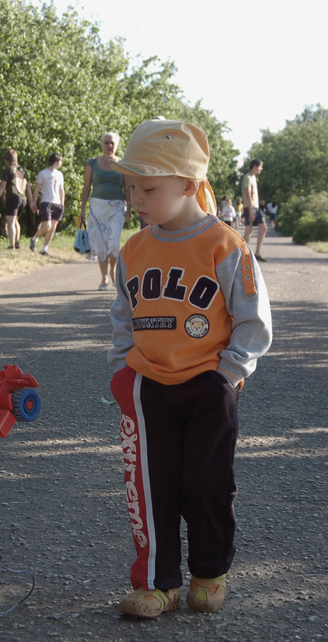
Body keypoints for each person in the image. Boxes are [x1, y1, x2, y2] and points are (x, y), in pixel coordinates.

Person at [107, 120, 272, 619]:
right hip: (146, 385)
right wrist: (121, 371)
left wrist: (228, 374)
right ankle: (158, 583)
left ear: (186, 184)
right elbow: (123, 317)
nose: (136, 196)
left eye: (148, 187)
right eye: (131, 186)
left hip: (208, 385)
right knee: (150, 485)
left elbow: (252, 319)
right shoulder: (134, 250)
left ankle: (209, 572)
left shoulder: (225, 246)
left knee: (206, 482)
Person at [80, 131, 131, 290]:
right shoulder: (92, 163)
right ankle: (104, 278)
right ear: (102, 144)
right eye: (106, 142)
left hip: (117, 206)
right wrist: (82, 209)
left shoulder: (123, 163)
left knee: (113, 240)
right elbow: (86, 187)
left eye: (112, 143)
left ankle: (113, 270)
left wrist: (129, 208)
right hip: (97, 207)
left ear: (117, 145)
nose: (109, 145)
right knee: (100, 241)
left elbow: (127, 187)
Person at [0, 149, 35, 249]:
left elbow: (2, 186)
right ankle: (17, 242)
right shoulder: (23, 170)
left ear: (6, 160)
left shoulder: (8, 170)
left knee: (10, 222)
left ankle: (12, 245)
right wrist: (31, 201)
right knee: (16, 221)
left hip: (13, 198)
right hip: (22, 198)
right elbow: (28, 187)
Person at [30, 153, 65, 256]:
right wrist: (34, 201)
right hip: (46, 202)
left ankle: (44, 249)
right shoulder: (43, 173)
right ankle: (34, 238)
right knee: (47, 226)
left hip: (57, 203)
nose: (61, 163)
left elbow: (61, 190)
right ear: (55, 161)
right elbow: (36, 188)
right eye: (60, 161)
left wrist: (62, 204)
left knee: (53, 227)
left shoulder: (60, 174)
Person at [242, 158, 268, 262]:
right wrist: (251, 210)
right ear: (255, 166)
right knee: (249, 230)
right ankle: (244, 254)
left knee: (263, 228)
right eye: (260, 166)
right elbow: (247, 194)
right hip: (250, 207)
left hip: (256, 207)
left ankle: (257, 253)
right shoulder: (247, 177)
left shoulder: (253, 178)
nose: (261, 169)